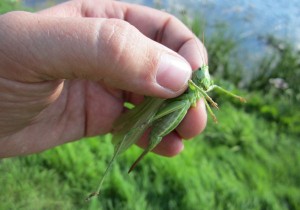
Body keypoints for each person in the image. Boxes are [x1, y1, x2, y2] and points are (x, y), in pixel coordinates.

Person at [0, 0, 207, 158]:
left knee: (161, 131)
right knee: (149, 123)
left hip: (170, 107)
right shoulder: (186, 80)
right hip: (158, 113)